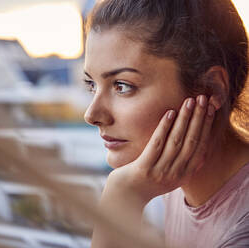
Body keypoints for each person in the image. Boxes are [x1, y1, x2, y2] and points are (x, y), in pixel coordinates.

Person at [83, 0, 249, 247]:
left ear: (211, 88)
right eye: (91, 85)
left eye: (122, 86)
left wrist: (121, 197)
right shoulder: (171, 185)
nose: (92, 114)